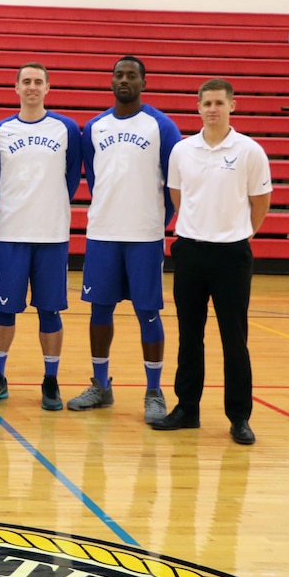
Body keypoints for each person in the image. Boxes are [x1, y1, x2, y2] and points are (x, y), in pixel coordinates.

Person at [152, 79, 271, 445]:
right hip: (189, 251)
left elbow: (260, 202)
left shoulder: (250, 151)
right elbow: (177, 197)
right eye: (206, 103)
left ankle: (239, 416)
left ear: (232, 106)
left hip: (231, 255)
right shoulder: (183, 151)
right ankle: (187, 408)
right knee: (190, 336)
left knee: (234, 339)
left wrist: (240, 235)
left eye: (219, 102)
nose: (213, 109)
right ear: (198, 107)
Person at [68, 56, 181, 423]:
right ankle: (101, 385)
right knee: (100, 310)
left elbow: (174, 181)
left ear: (143, 82)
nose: (124, 80)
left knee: (147, 311)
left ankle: (153, 390)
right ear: (111, 81)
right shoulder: (95, 127)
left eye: (131, 75)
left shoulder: (161, 126)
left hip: (144, 235)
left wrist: (158, 221)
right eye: (118, 75)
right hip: (103, 232)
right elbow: (92, 174)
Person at [0, 63, 81, 411]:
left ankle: (51, 380)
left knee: (50, 311)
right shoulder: (1, 131)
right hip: (10, 234)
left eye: (39, 82)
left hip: (52, 234)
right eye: (27, 81)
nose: (33, 87)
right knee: (4, 310)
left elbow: (71, 178)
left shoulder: (66, 128)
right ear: (16, 87)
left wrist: (49, 205)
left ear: (48, 87)